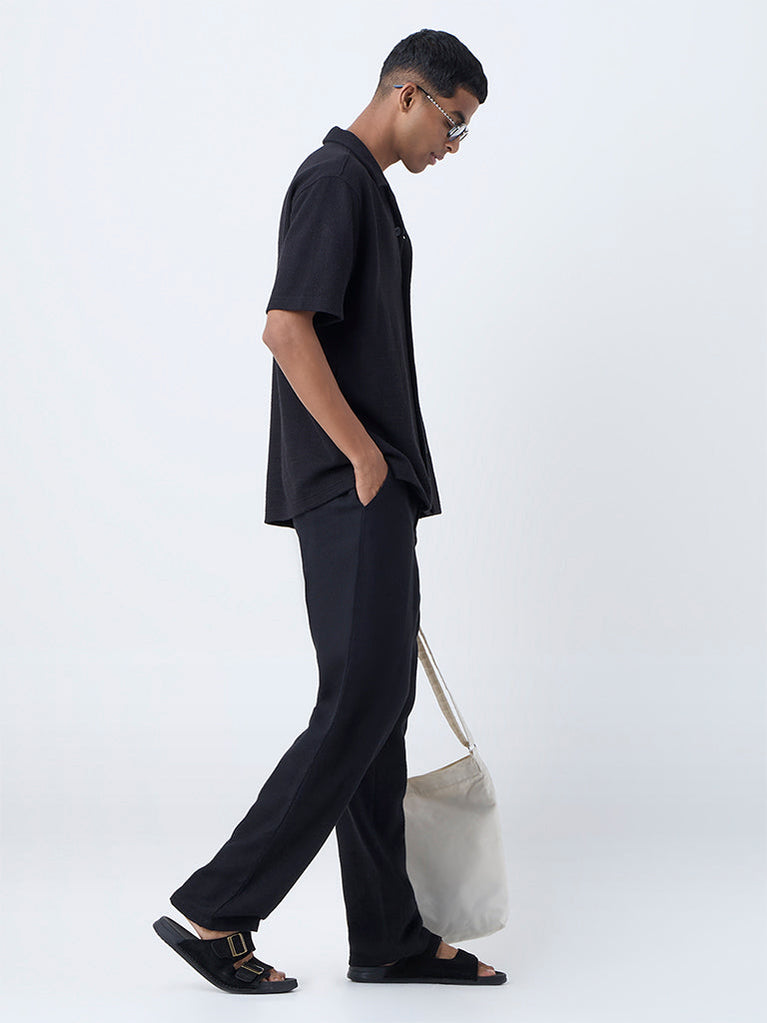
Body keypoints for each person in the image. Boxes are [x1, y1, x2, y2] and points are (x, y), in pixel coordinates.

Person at [153, 28, 506, 993]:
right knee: (360, 702)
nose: (452, 145)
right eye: (452, 122)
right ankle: (217, 908)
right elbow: (285, 328)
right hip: (353, 489)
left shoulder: (366, 190)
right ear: (405, 94)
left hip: (370, 493)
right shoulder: (335, 180)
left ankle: (386, 936)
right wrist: (362, 456)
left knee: (377, 710)